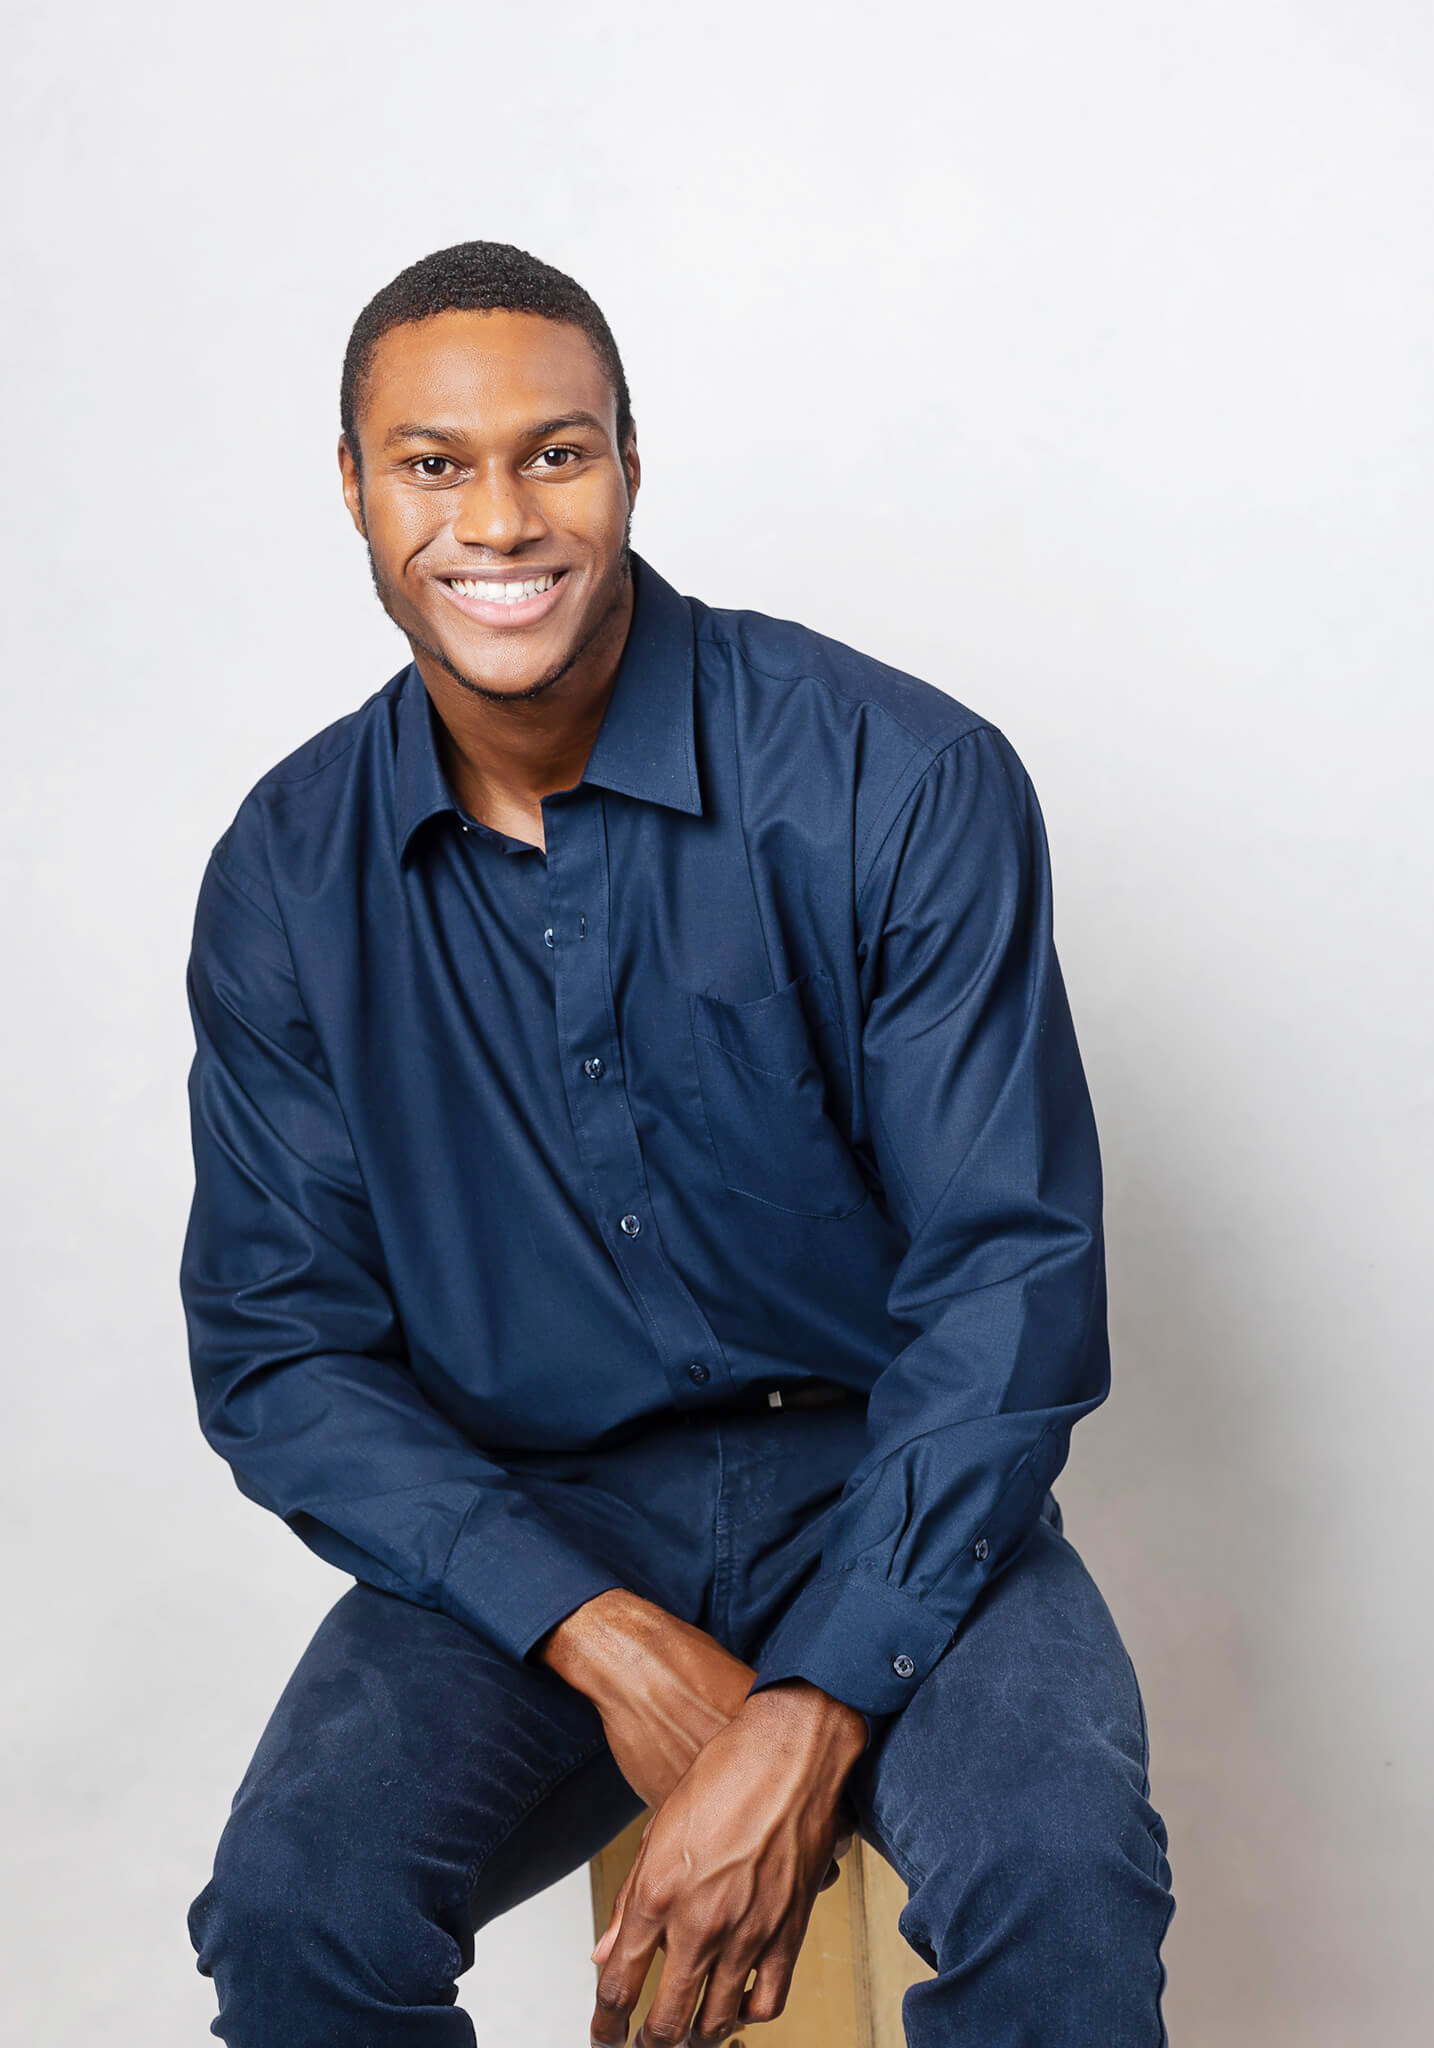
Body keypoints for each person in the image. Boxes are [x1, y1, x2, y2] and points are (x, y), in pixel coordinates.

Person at [181, 240, 1174, 2048]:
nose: (498, 518)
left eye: (555, 452)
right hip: (527, 1518)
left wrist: (812, 1697)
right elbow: (284, 1347)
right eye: (432, 463)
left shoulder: (899, 777)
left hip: (896, 1478)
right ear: (352, 486)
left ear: (630, 461)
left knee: (1062, 1886)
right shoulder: (285, 872)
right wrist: (594, 1629)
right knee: (295, 1908)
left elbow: (1008, 1275)